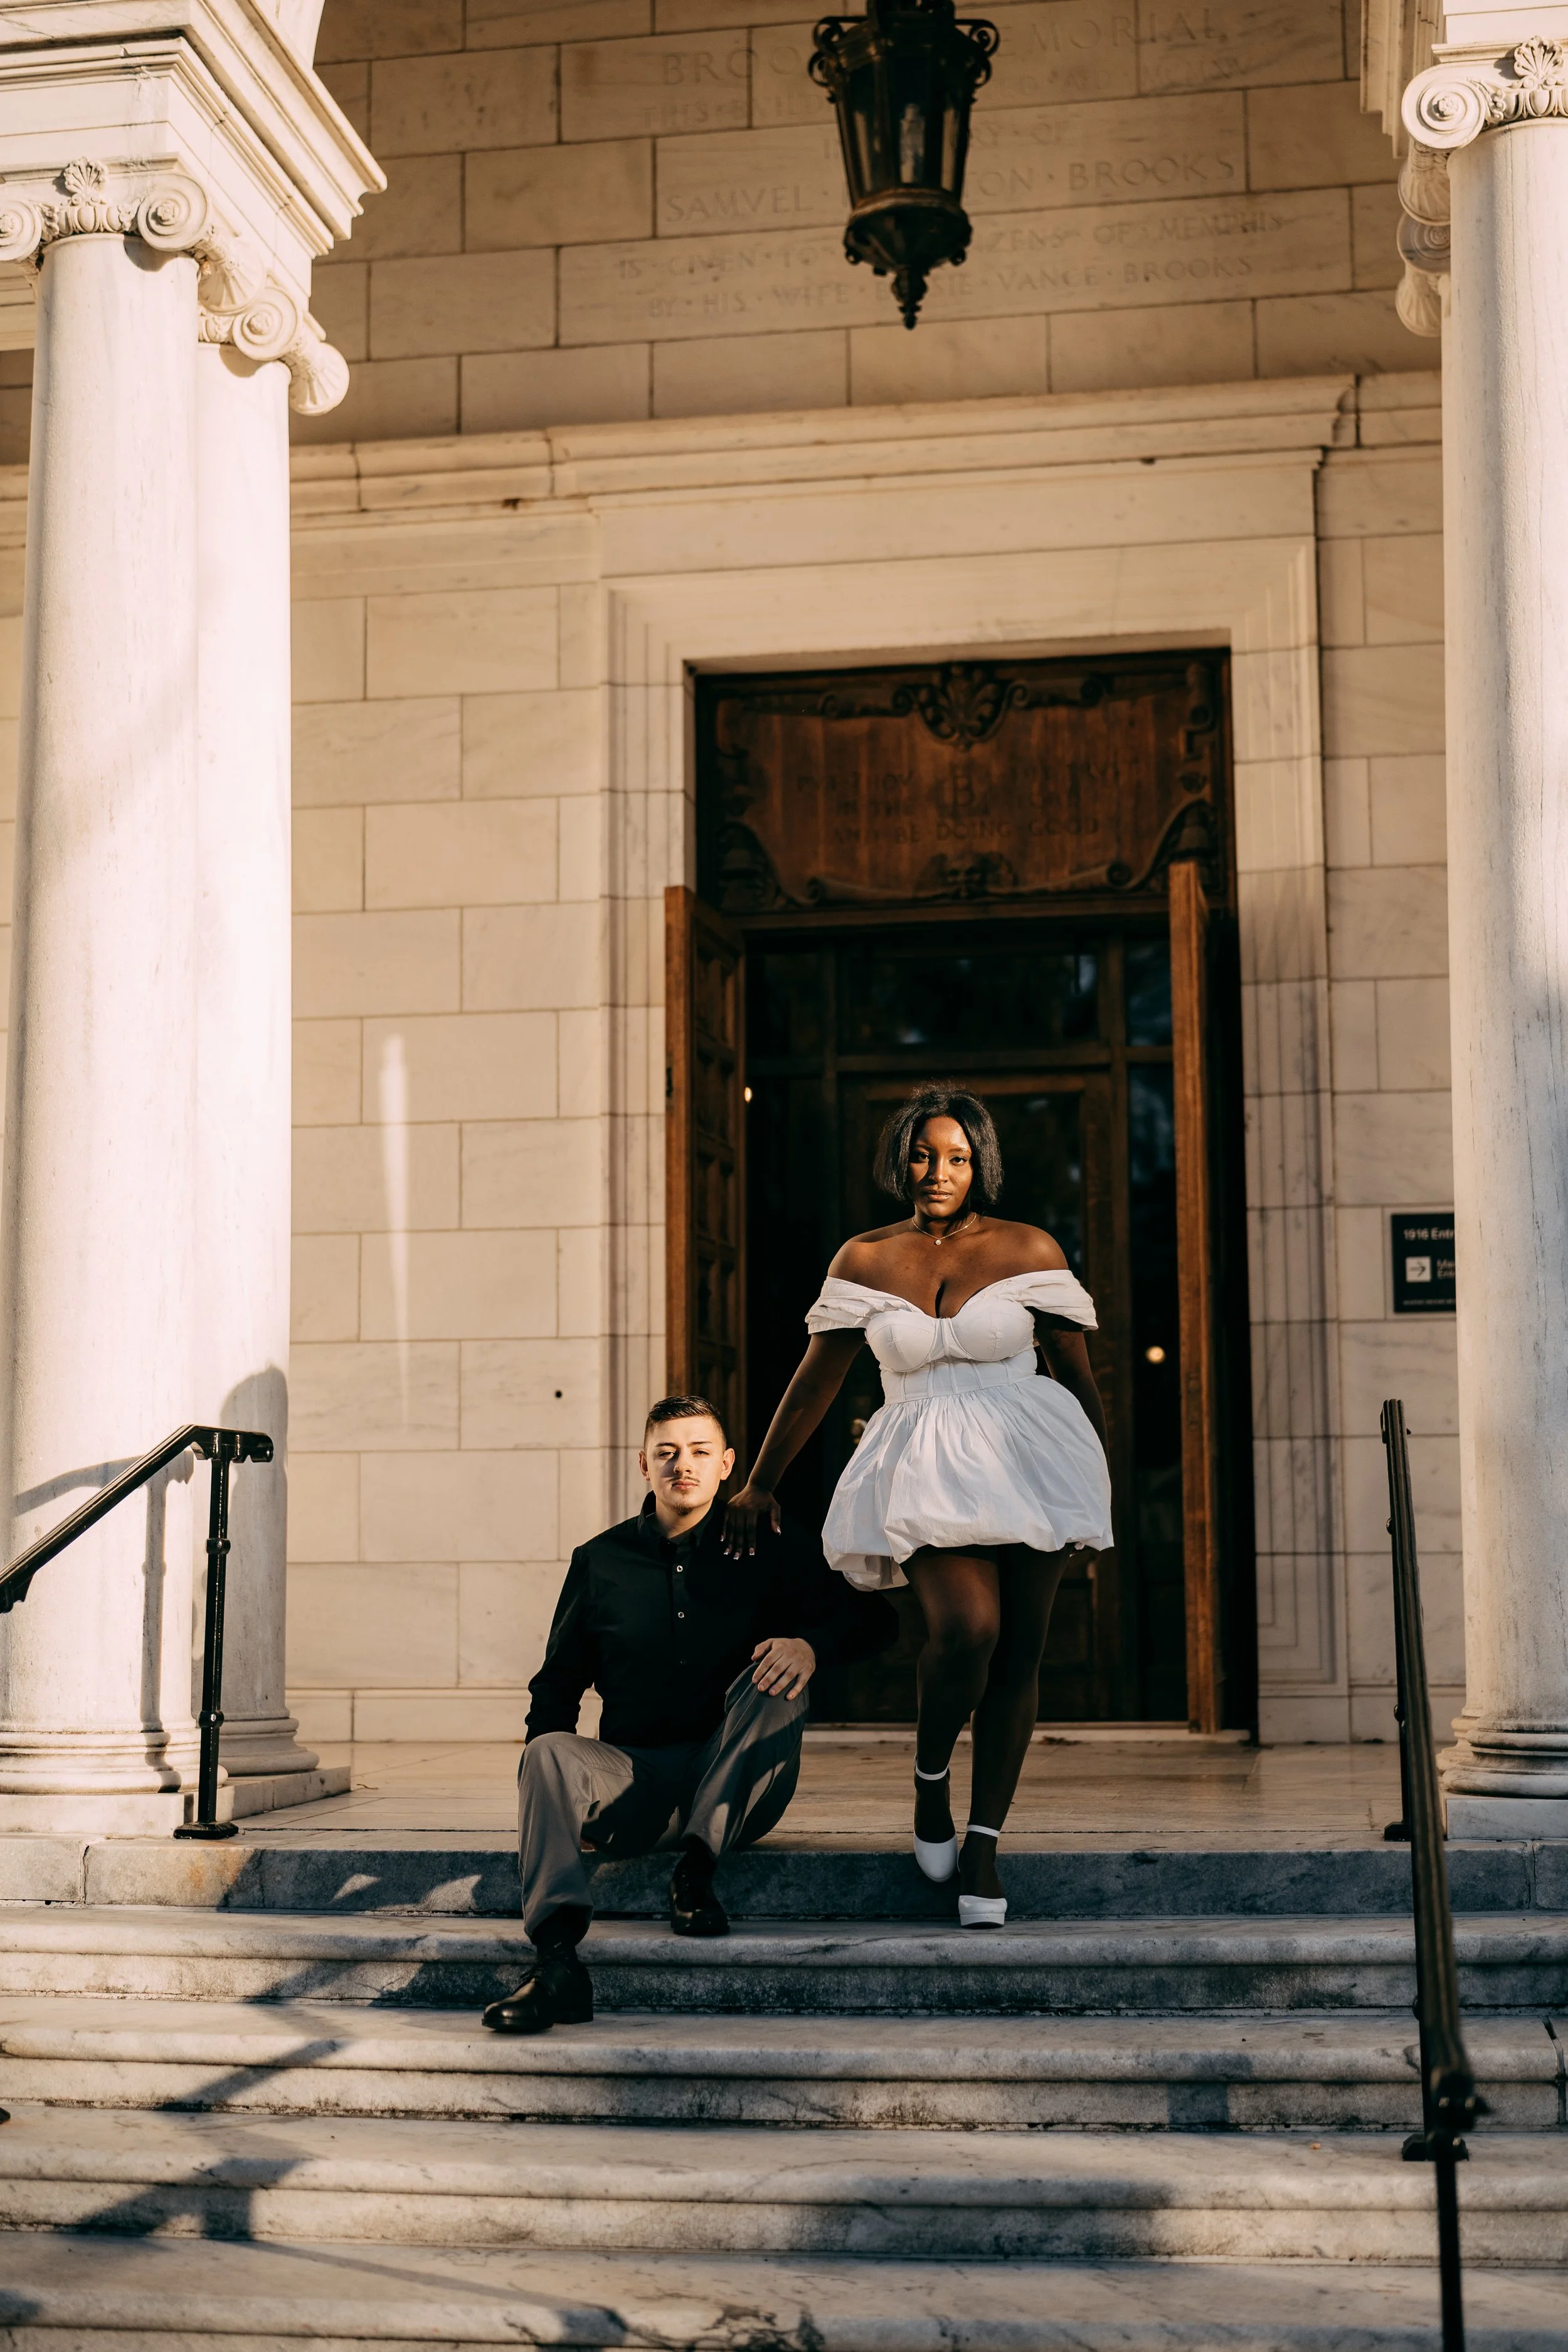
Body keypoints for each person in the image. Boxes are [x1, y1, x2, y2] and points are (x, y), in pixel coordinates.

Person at [724, 1083, 1113, 1929]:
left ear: (981, 1165)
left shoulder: (1030, 1247)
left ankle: (982, 1844)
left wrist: (1094, 1490)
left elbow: (1079, 1378)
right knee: (968, 1629)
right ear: (900, 1156)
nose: (941, 1171)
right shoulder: (863, 1258)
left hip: (1033, 1457)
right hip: (923, 1458)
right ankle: (931, 1776)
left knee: (1020, 1656)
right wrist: (760, 1478)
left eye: (960, 1157)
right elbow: (816, 1380)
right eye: (925, 1153)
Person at [482, 1392, 893, 2035]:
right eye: (667, 1454)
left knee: (775, 1674)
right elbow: (557, 1686)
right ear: (642, 1465)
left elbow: (874, 1619)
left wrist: (810, 1646)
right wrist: (560, 1803)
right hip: (636, 1783)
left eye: (700, 1452)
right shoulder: (600, 1561)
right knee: (546, 1752)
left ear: (727, 1465)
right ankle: (557, 1962)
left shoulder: (770, 1547)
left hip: (737, 1784)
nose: (684, 1466)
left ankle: (697, 1873)